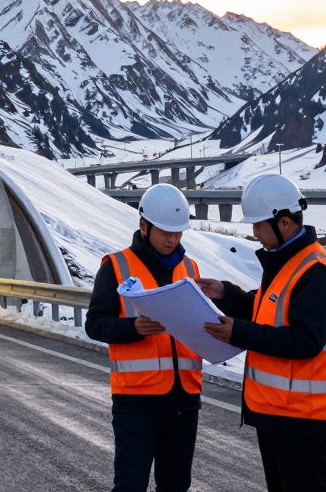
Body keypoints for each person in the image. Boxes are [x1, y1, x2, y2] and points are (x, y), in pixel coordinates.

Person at [198, 173, 326, 492]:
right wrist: (225, 293)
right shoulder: (288, 264)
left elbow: (304, 341)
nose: (254, 233)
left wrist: (239, 333)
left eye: (258, 225)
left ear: (284, 223)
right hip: (279, 414)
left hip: (304, 420)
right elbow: (264, 310)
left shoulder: (316, 272)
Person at [86, 183, 203, 492]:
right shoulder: (116, 267)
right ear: (144, 225)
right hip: (136, 402)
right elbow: (95, 324)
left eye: (178, 232)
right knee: (130, 486)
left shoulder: (190, 268)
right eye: (165, 232)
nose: (172, 239)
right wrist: (133, 328)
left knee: (176, 486)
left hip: (184, 401)